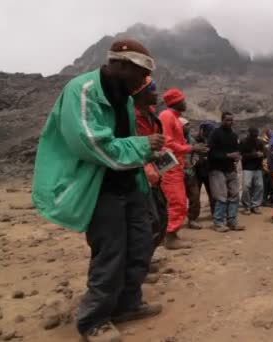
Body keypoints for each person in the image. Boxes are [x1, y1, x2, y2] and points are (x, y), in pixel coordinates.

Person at [32, 39, 164, 341]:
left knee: (141, 246)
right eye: (139, 71)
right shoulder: (82, 91)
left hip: (128, 184)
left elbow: (123, 141)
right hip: (98, 187)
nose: (144, 80)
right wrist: (142, 146)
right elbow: (90, 144)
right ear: (119, 64)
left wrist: (145, 155)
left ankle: (128, 304)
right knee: (111, 253)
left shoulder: (127, 99)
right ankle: (93, 319)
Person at [159, 89, 206, 249]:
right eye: (183, 100)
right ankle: (170, 237)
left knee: (177, 201)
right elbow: (167, 142)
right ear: (176, 102)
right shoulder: (166, 116)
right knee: (177, 201)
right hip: (169, 164)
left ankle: (171, 234)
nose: (186, 103)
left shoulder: (174, 118)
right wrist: (191, 149)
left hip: (177, 164)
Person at [133, 76, 167, 250]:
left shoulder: (151, 115)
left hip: (154, 174)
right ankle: (141, 262)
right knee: (148, 219)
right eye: (152, 90)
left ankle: (145, 258)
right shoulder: (131, 116)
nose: (156, 93)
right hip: (140, 175)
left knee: (160, 216)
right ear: (141, 93)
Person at [208, 112, 245, 232]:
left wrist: (237, 156)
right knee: (221, 196)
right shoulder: (215, 133)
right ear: (222, 120)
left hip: (230, 168)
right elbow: (211, 152)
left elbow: (237, 150)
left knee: (235, 194)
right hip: (217, 169)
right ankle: (218, 222)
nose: (230, 122)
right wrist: (228, 155)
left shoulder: (234, 135)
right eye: (228, 120)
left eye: (232, 120)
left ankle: (232, 221)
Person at [187, 121, 216, 226]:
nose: (210, 133)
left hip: (208, 171)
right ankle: (192, 218)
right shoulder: (194, 140)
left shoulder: (212, 140)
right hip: (196, 172)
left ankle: (216, 215)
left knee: (213, 195)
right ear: (203, 131)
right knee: (194, 196)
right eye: (209, 131)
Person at [239, 127, 265, 215]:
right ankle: (247, 206)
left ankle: (255, 205)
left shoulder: (260, 142)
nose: (254, 136)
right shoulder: (243, 142)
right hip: (247, 167)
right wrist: (254, 155)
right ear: (249, 133)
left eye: (256, 134)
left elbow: (264, 153)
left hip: (258, 167)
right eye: (253, 134)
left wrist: (262, 154)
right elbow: (242, 155)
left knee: (259, 186)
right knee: (246, 187)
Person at [261, 128, 273, 207]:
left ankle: (272, 199)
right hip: (265, 166)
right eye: (269, 133)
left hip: (272, 166)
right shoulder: (263, 142)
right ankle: (264, 200)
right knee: (266, 184)